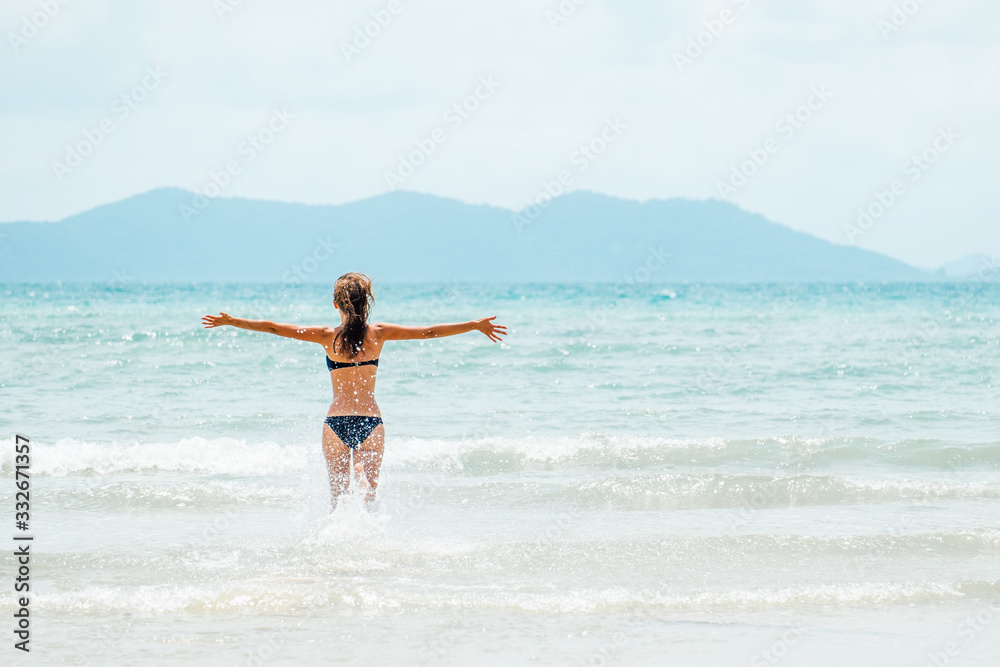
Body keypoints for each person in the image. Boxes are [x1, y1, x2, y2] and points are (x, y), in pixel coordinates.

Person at [201, 272, 507, 509]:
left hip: (334, 424)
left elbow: (274, 327)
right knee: (367, 498)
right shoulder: (380, 334)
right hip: (370, 422)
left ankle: (338, 561)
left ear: (336, 304)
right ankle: (363, 552)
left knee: (337, 501)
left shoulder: (325, 336)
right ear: (366, 303)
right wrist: (473, 325)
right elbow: (429, 332)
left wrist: (232, 322)